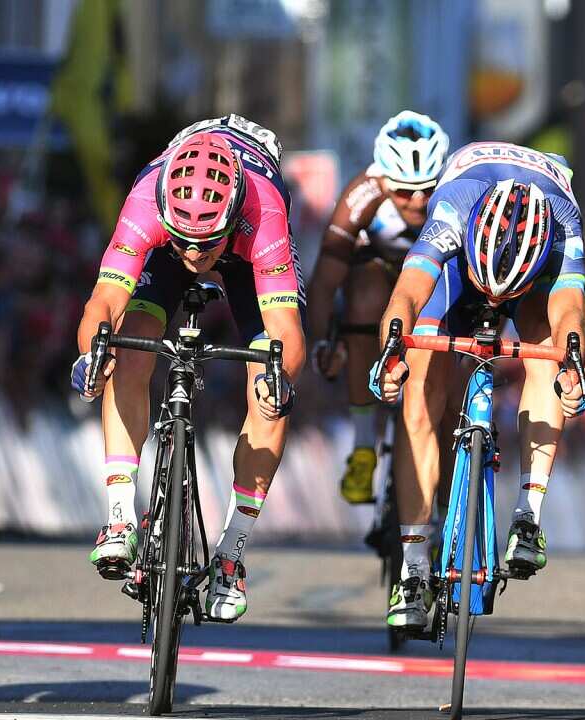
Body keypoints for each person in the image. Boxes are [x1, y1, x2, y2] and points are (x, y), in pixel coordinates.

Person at [72, 114, 305, 622]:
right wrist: (93, 352)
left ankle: (232, 554)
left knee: (270, 381)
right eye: (184, 241)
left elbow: (285, 327)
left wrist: (277, 377)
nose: (195, 253)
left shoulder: (263, 209)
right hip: (179, 235)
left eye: (205, 244)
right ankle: (118, 518)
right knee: (126, 350)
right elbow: (104, 300)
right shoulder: (146, 197)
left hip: (247, 256)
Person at [372, 141, 585, 631]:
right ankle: (412, 570)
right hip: (460, 263)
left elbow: (572, 310)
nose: (493, 299)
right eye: (488, 286)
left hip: (530, 267)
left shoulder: (563, 226)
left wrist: (572, 364)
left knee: (549, 354)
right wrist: (390, 351)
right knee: (422, 389)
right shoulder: (452, 209)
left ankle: (528, 517)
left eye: (502, 293)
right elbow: (407, 292)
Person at [305, 110, 449, 504]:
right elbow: (323, 282)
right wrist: (323, 343)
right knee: (364, 293)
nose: (418, 201)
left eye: (427, 189)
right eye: (404, 190)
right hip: (378, 272)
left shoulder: (456, 190)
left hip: (434, 280)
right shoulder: (362, 195)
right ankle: (365, 446)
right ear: (384, 180)